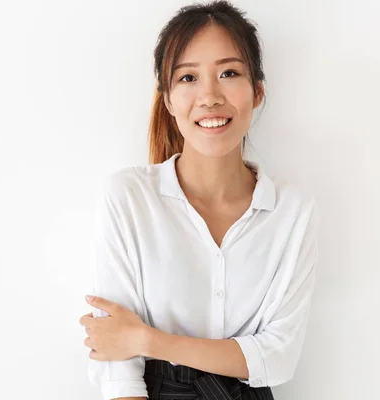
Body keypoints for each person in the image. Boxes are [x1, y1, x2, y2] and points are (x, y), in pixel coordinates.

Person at [79, 1, 320, 399]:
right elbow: (116, 365)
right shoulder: (129, 197)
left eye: (228, 73)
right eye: (188, 77)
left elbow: (278, 357)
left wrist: (147, 340)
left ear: (257, 91)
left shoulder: (292, 209)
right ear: (169, 100)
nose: (209, 96)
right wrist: (134, 343)